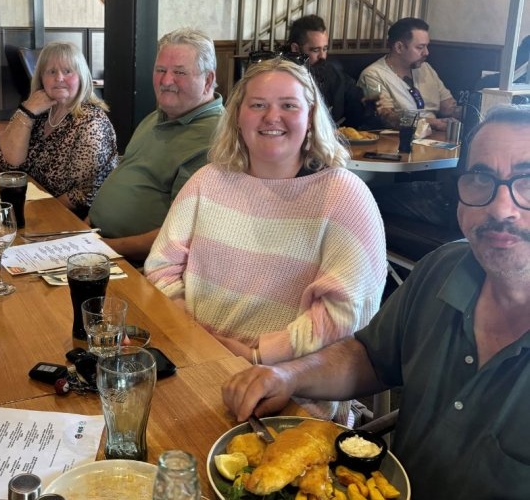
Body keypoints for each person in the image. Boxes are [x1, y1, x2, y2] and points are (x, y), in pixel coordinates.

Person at [222, 105, 530, 499]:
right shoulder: (443, 268)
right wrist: (289, 375)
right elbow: (368, 356)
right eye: (481, 179)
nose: (501, 208)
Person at [146, 58, 387, 424]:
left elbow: (344, 315)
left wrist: (257, 356)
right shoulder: (207, 181)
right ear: (238, 117)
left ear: (310, 116)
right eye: (258, 105)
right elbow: (161, 268)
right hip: (195, 367)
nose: (272, 116)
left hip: (291, 396)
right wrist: (200, 342)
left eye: (288, 105)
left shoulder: (343, 194)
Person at [86, 28, 224, 263]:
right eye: (160, 70)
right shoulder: (158, 116)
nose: (166, 80)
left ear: (208, 79)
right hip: (95, 241)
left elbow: (179, 235)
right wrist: (85, 230)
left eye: (179, 72)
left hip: (135, 263)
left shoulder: (214, 138)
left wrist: (104, 248)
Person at [0, 42, 118, 219]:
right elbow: (4, 160)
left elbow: (83, 195)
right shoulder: (39, 110)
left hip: (68, 218)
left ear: (81, 76)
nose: (59, 78)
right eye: (51, 72)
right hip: (29, 207)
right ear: (41, 78)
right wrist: (26, 112)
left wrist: (34, 212)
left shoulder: (91, 122)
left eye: (67, 71)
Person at [358, 17, 460, 131]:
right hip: (400, 139)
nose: (426, 52)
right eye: (420, 47)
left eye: (427, 46)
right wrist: (432, 123)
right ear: (399, 47)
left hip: (436, 137)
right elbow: (387, 119)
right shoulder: (373, 75)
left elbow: (448, 107)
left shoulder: (425, 68)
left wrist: (471, 111)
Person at [287, 14, 365, 128]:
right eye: (315, 50)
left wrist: (368, 103)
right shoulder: (282, 78)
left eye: (325, 49)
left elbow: (355, 98)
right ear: (296, 49)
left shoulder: (332, 72)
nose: (322, 56)